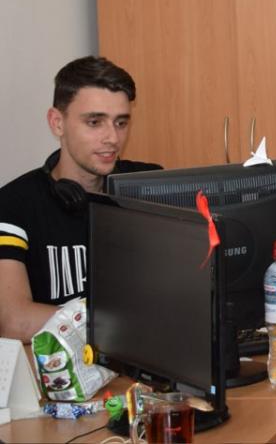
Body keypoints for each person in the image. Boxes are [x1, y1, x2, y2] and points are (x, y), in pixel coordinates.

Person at [0, 56, 159, 340]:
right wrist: (121, 322)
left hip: (143, 359)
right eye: (95, 122)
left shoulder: (149, 186)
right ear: (57, 123)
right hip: (60, 365)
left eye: (121, 122)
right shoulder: (14, 204)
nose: (113, 138)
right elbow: (15, 321)